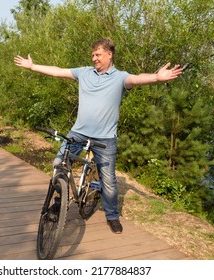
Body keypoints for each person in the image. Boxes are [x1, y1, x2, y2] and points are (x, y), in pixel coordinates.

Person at [14, 38, 183, 234]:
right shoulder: (84, 73)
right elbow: (58, 71)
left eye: (98, 54)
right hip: (78, 133)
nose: (94, 58)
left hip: (105, 139)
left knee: (109, 181)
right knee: (58, 164)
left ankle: (112, 216)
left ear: (109, 55)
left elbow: (136, 78)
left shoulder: (120, 77)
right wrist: (32, 66)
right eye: (93, 54)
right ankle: (59, 201)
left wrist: (156, 78)